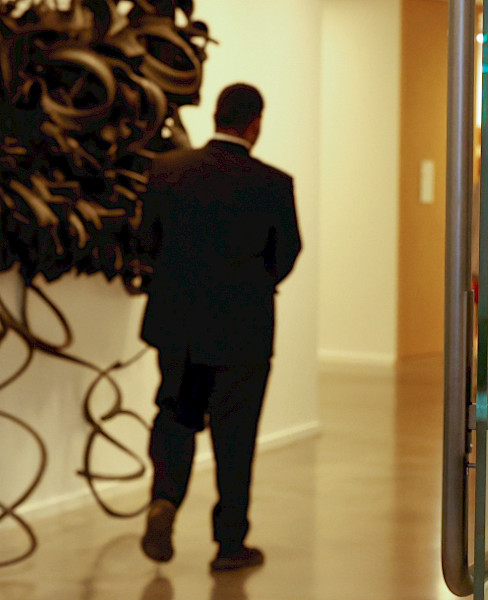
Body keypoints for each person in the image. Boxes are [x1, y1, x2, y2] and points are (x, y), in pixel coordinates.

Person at [136, 83, 302, 572]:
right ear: (255, 124)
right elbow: (287, 253)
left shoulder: (167, 171)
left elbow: (147, 241)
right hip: (243, 330)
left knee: (175, 415)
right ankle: (230, 544)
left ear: (216, 116)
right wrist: (250, 288)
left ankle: (164, 499)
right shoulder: (273, 182)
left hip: (177, 327)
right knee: (236, 437)